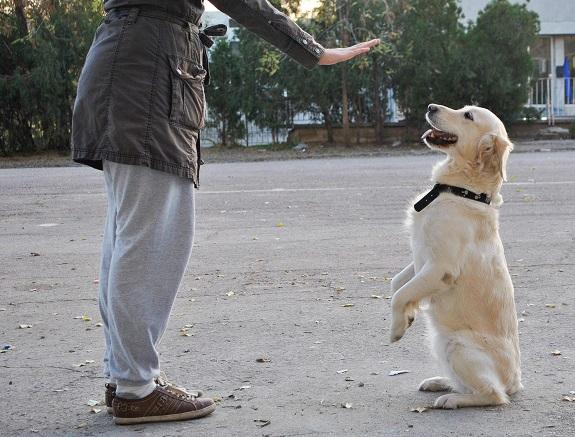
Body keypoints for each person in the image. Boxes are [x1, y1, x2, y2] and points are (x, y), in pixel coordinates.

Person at [71, 0, 379, 425]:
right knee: (150, 239)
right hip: (148, 80)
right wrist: (314, 50)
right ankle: (135, 388)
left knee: (128, 233)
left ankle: (125, 376)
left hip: (127, 67)